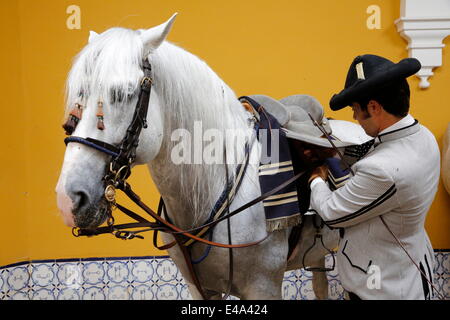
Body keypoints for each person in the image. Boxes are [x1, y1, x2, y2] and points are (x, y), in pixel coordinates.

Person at [308, 54, 440, 299]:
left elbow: (331, 212)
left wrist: (316, 177)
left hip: (384, 287)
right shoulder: (424, 136)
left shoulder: (382, 169)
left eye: (355, 110)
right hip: (411, 267)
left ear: (374, 107)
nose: (354, 118)